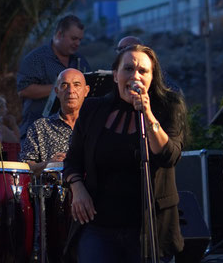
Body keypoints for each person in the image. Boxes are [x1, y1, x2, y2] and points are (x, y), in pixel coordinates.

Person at [63, 44, 189, 262]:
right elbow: (73, 159)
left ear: (152, 77)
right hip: (99, 224)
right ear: (115, 75)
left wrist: (147, 113)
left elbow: (169, 156)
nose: (135, 76)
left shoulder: (168, 106)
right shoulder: (93, 109)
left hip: (149, 228)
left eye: (143, 71)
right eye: (128, 69)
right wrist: (78, 188)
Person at [17, 15, 91, 139]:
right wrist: (61, 88)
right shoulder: (36, 59)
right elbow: (23, 89)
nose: (77, 43)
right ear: (59, 34)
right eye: (73, 38)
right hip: (36, 133)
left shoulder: (80, 60)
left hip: (72, 131)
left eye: (80, 40)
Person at [20, 68, 89, 175]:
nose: (71, 90)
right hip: (53, 190)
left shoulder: (97, 124)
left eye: (77, 85)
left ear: (86, 91)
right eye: (65, 85)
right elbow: (25, 166)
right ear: (56, 91)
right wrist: (49, 164)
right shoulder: (40, 127)